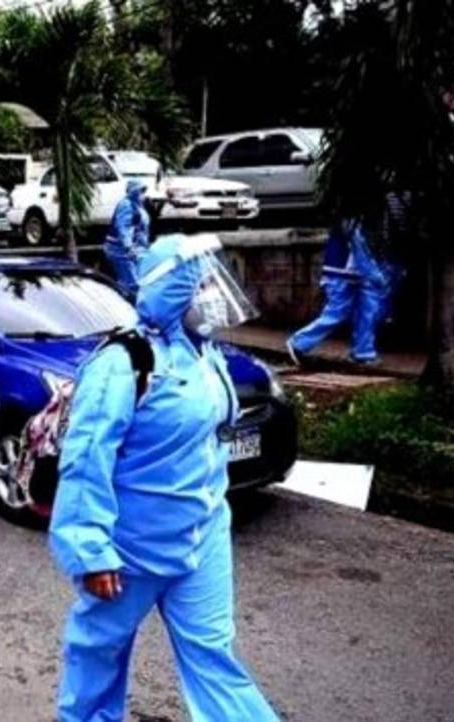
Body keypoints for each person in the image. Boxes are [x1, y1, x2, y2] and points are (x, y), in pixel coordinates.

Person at [50, 233, 277, 722]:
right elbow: (86, 462)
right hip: (132, 549)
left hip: (203, 537)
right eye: (199, 287)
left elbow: (210, 442)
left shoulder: (205, 355)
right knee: (99, 654)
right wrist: (90, 550)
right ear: (171, 293)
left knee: (213, 654)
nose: (212, 297)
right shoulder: (123, 363)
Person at [287, 219, 384, 366]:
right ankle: (299, 342)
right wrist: (373, 274)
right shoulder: (356, 218)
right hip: (344, 271)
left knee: (362, 312)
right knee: (345, 312)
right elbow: (360, 247)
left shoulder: (350, 215)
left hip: (345, 270)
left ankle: (363, 352)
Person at [105, 180, 151, 301]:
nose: (143, 194)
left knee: (137, 280)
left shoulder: (137, 205)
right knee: (130, 283)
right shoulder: (126, 205)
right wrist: (128, 247)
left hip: (136, 249)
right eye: (141, 191)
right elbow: (123, 227)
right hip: (121, 251)